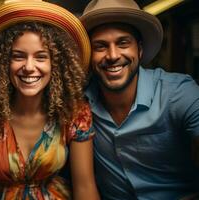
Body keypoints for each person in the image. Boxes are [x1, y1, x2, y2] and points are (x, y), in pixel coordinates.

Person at [0, 0, 100, 199]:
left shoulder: (74, 111)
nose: (29, 66)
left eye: (41, 57)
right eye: (18, 56)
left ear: (56, 63)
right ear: (2, 62)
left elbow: (85, 187)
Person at [79, 0, 199, 199]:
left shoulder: (179, 93)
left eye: (123, 43)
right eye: (100, 46)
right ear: (89, 55)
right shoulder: (79, 104)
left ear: (140, 50)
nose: (112, 55)